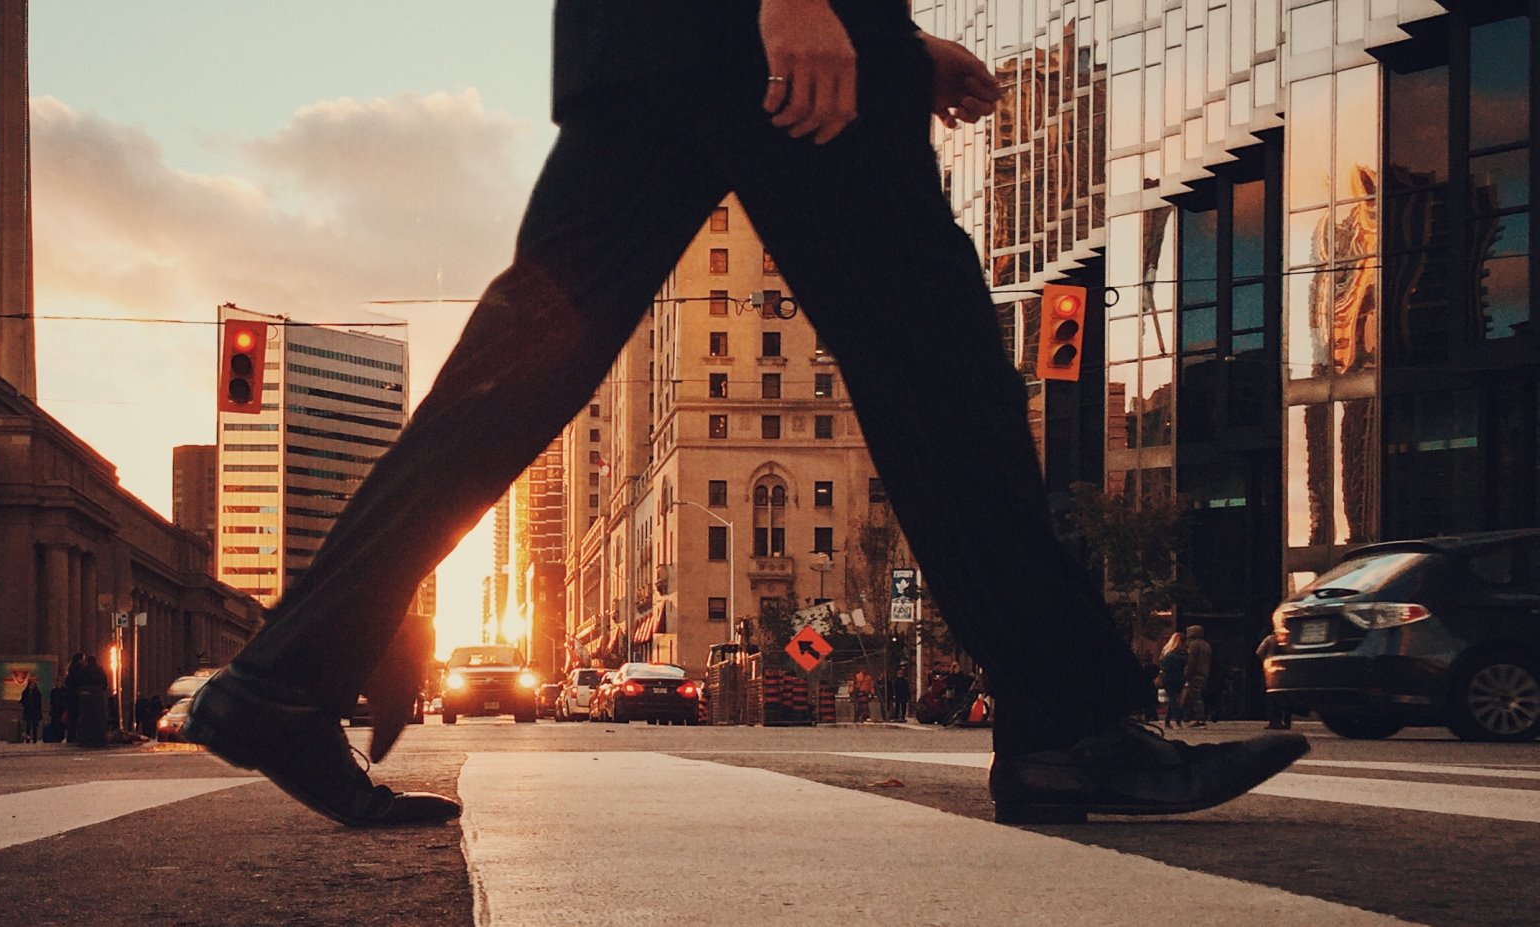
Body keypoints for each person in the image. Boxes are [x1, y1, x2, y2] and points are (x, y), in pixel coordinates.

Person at [180, 0, 1307, 827]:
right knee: (942, 374)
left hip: (652, 39)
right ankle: (1069, 728)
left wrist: (888, 41)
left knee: (516, 369)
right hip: (744, 38)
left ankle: (283, 678)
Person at [1256, 633, 1292, 729]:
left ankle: (1274, 721)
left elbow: (1259, 652)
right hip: (1286, 669)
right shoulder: (1289, 638)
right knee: (1286, 696)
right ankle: (1287, 722)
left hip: (1272, 670)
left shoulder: (1270, 639)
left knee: (1272, 696)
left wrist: (1265, 660)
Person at [1181, 625, 1214, 728]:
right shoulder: (1206, 645)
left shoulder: (1194, 645)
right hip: (1205, 673)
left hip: (1195, 674)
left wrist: (1187, 673)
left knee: (1196, 696)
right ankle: (1197, 717)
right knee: (1198, 695)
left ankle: (1199, 718)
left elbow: (1192, 662)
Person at [1158, 632, 1188, 728]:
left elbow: (1165, 666)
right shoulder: (1184, 653)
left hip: (1169, 679)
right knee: (1174, 700)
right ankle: (1178, 721)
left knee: (1173, 700)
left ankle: (1168, 721)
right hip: (1178, 678)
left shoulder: (1169, 653)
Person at [20, 678, 43, 744]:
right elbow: (22, 700)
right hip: (28, 711)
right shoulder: (25, 693)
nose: (32, 686)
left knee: (34, 726)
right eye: (31, 685)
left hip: (35, 712)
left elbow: (39, 704)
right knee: (28, 726)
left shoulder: (37, 693)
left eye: (33, 685)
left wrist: (39, 713)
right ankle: (28, 739)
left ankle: (34, 739)